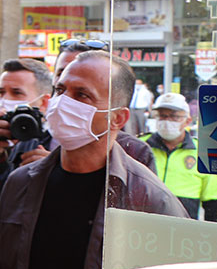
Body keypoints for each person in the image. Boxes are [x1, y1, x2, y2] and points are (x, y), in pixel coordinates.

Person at [0, 51, 185, 269]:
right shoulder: (21, 182)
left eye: (82, 95)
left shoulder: (150, 199)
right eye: (61, 90)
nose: (64, 102)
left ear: (118, 117)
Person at [0, 58, 54, 232]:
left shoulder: (57, 145)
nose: (5, 100)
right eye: (1, 92)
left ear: (44, 102)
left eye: (17, 93)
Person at [52, 39, 155, 171]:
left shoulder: (134, 151)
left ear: (118, 117)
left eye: (82, 94)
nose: (65, 99)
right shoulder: (33, 139)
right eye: (62, 74)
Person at [142, 92, 217, 222]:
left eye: (174, 117)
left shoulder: (204, 152)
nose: (167, 121)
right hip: (142, 227)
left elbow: (214, 201)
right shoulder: (141, 146)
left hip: (183, 233)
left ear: (187, 121)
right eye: (162, 116)